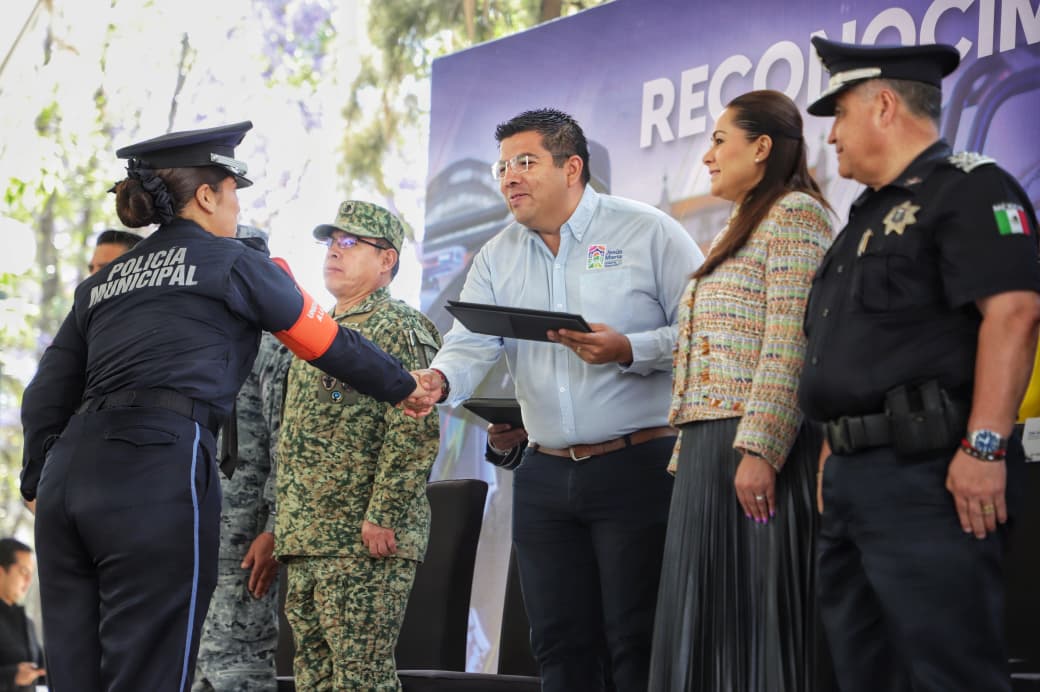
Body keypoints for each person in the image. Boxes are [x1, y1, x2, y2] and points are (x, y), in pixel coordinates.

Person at [19, 121, 436, 692]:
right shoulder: (232, 262)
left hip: (69, 479)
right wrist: (402, 386)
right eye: (234, 190)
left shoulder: (103, 283)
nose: (239, 206)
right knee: (150, 669)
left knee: (77, 673)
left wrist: (36, 479)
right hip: (156, 467)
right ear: (208, 194)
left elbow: (46, 390)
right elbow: (322, 341)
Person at [416, 108, 703, 692]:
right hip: (544, 478)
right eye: (502, 167)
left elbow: (710, 331)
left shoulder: (647, 231)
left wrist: (630, 347)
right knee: (557, 643)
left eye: (525, 162)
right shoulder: (498, 254)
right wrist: (441, 380)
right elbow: (471, 342)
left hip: (638, 466)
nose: (509, 178)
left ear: (572, 167)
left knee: (637, 639)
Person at [799, 38, 1040, 692]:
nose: (833, 135)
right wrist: (833, 450)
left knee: (948, 672)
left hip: (932, 474)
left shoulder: (969, 188)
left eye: (840, 113)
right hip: (854, 476)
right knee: (861, 672)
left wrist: (985, 446)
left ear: (883, 104)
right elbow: (853, 356)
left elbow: (1014, 314)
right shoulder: (862, 220)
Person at [647, 90, 832, 691]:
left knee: (754, 635)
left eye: (720, 140)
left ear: (762, 147)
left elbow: (790, 341)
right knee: (703, 634)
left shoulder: (797, 214)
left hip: (754, 453)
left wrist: (762, 449)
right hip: (708, 454)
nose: (707, 156)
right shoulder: (740, 223)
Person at [276, 200, 441, 691]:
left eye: (350, 242)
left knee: (361, 681)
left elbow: (416, 424)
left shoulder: (401, 326)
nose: (334, 251)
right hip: (306, 538)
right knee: (313, 681)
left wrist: (385, 512)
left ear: (387, 259)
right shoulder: (315, 330)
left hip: (360, 539)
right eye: (331, 242)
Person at [193, 227, 293, 692]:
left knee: (240, 660)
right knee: (193, 656)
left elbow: (285, 444)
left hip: (246, 534)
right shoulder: (199, 347)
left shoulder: (276, 347)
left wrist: (274, 525)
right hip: (195, 525)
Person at [0, 539, 45, 692]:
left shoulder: (27, 622)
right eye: (23, 572)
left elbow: (43, 668)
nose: (28, 581)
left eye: (31, 575)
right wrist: (12, 676)